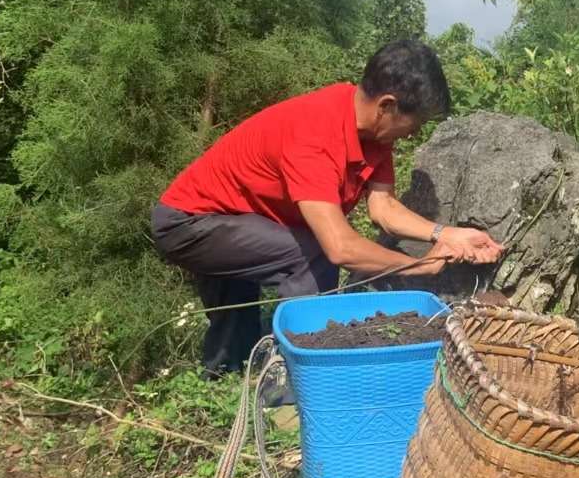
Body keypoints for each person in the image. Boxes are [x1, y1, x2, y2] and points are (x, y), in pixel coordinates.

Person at [151, 39, 503, 379]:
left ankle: (228, 380)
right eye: (416, 123)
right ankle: (302, 383)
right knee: (310, 254)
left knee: (234, 339)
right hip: (190, 224)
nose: (414, 134)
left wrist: (448, 234)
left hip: (242, 219)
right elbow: (340, 247)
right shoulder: (315, 134)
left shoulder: (373, 136)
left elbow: (383, 208)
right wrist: (418, 266)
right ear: (387, 106)